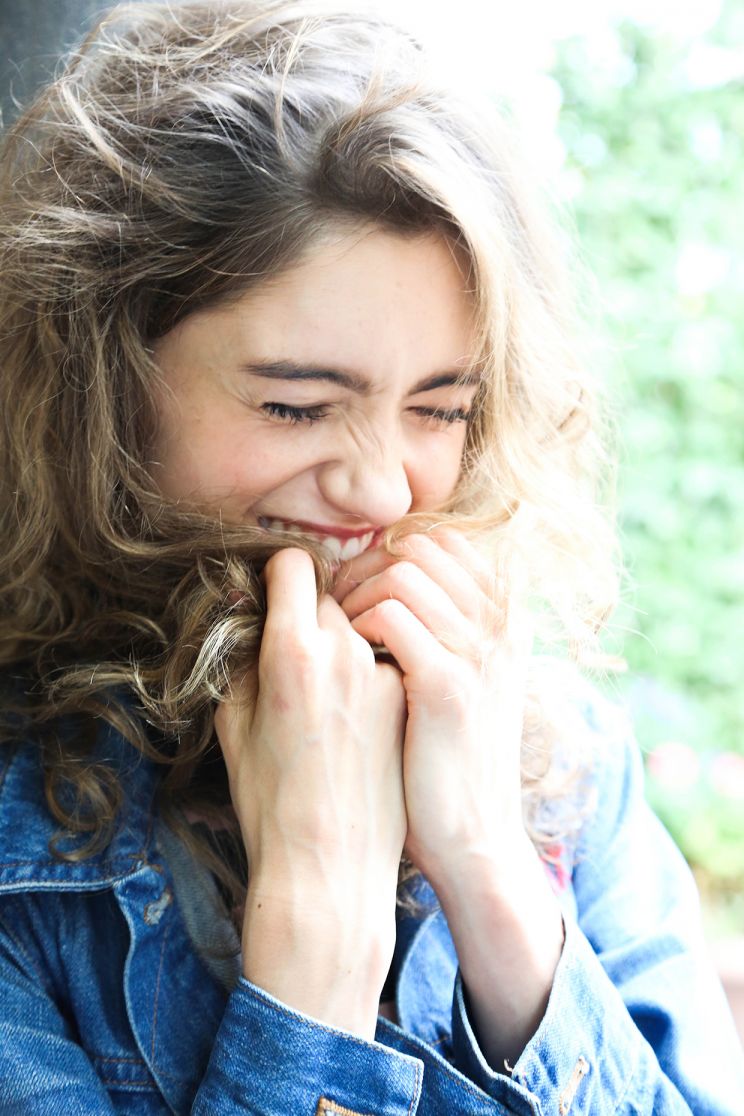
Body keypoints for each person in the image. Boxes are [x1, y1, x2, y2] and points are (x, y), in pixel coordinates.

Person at [0, 1, 742, 1112]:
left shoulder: (572, 759)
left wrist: (489, 866)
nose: (385, 488)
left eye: (439, 409)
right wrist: (320, 926)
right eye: (298, 407)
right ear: (102, 387)